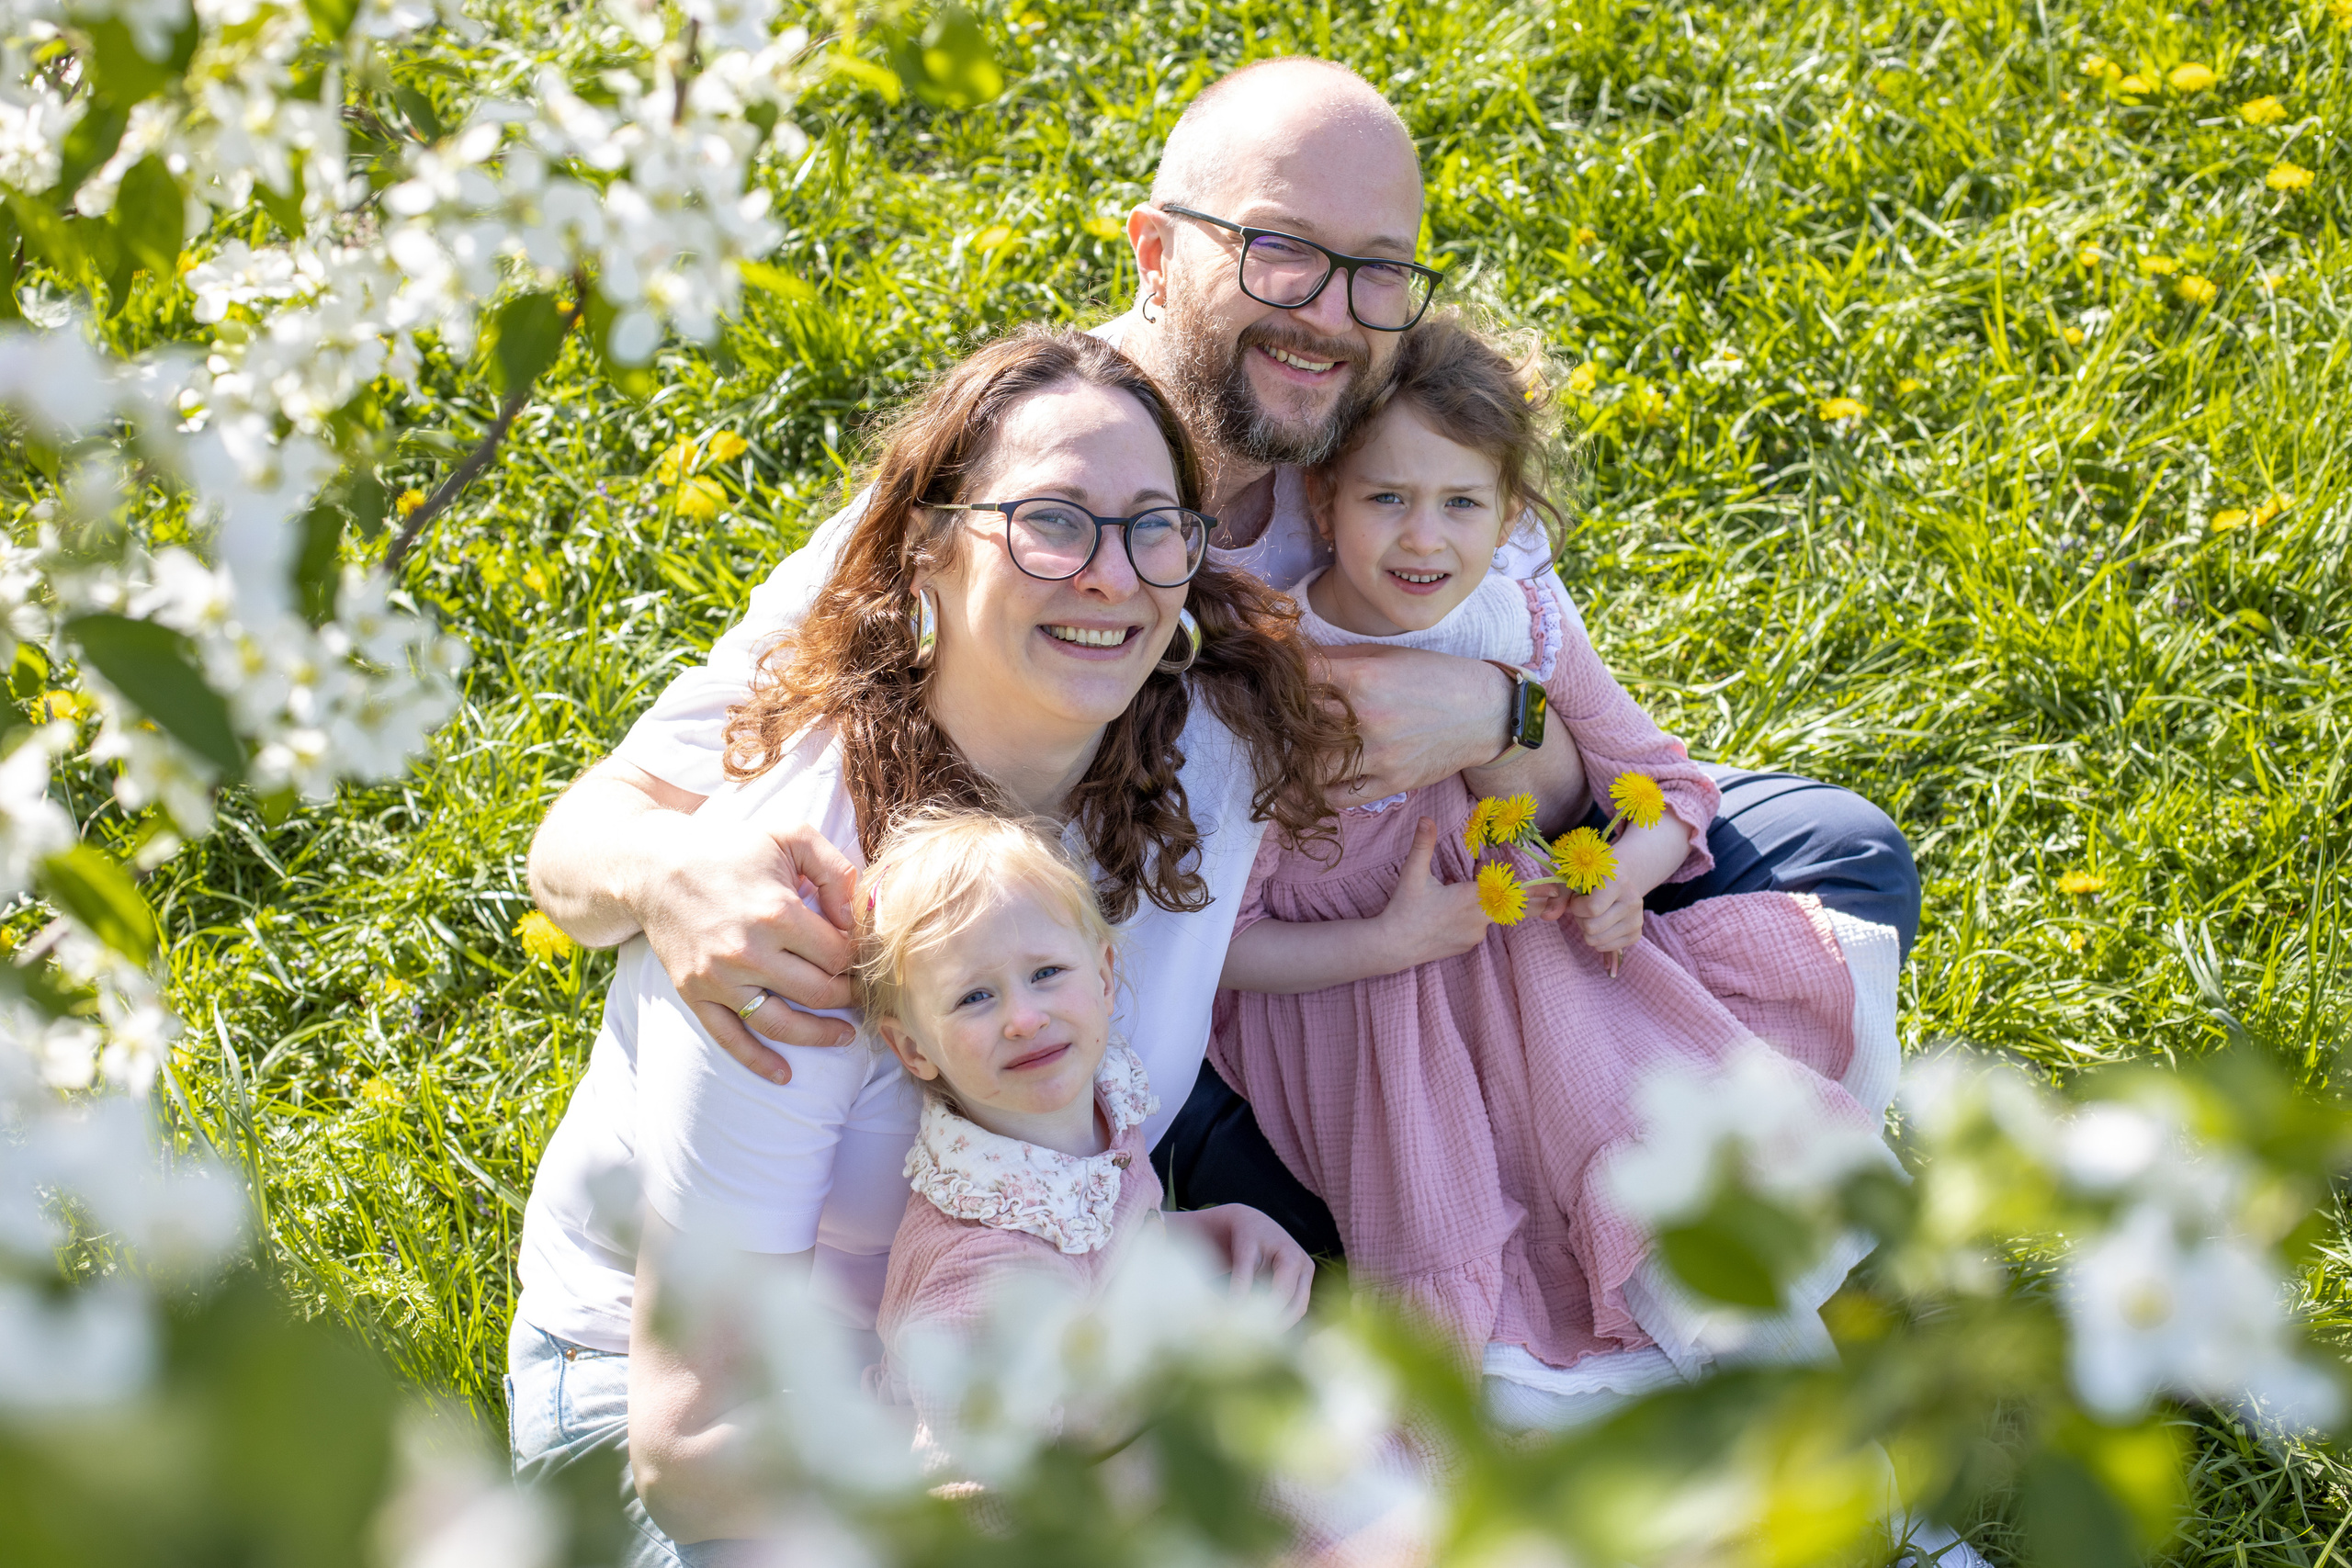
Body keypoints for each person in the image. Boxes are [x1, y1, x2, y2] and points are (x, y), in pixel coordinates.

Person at [524, 54, 1920, 1257]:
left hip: (1438, 874)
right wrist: (667, 877)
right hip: (1215, 981)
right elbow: (585, 837)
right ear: (1154, 251)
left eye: (1377, 271)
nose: (1328, 312)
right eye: (1279, 250)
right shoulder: (1024, 487)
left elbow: (1576, 764)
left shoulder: (1391, 442)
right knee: (1285, 1213)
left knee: (1836, 857)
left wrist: (1491, 710)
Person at [504, 328, 1354, 1562]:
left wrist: (1143, 1251)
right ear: (931, 551)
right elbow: (696, 1445)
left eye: (1152, 525)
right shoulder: (802, 898)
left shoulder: (1193, 773)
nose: (1112, 576)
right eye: (1053, 522)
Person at [1210, 315, 1905, 1429]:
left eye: (1460, 505)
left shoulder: (1514, 625)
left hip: (1541, 974)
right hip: (1368, 1016)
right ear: (1325, 501)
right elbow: (1222, 945)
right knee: (1479, 1283)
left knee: (1651, 1162)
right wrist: (1391, 942)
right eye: (1386, 498)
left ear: (1511, 515)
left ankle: (1860, 1489)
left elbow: (1667, 784)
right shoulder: (1268, 679)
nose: (1420, 539)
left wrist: (1630, 874)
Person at [856, 809, 1312, 1448]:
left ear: (1102, 977)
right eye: (974, 997)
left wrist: (1218, 1226)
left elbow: (1101, 1242)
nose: (1023, 1017)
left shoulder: (1101, 1105)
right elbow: (986, 1484)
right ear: (913, 1047)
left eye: (1046, 973)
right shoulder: (980, 1265)